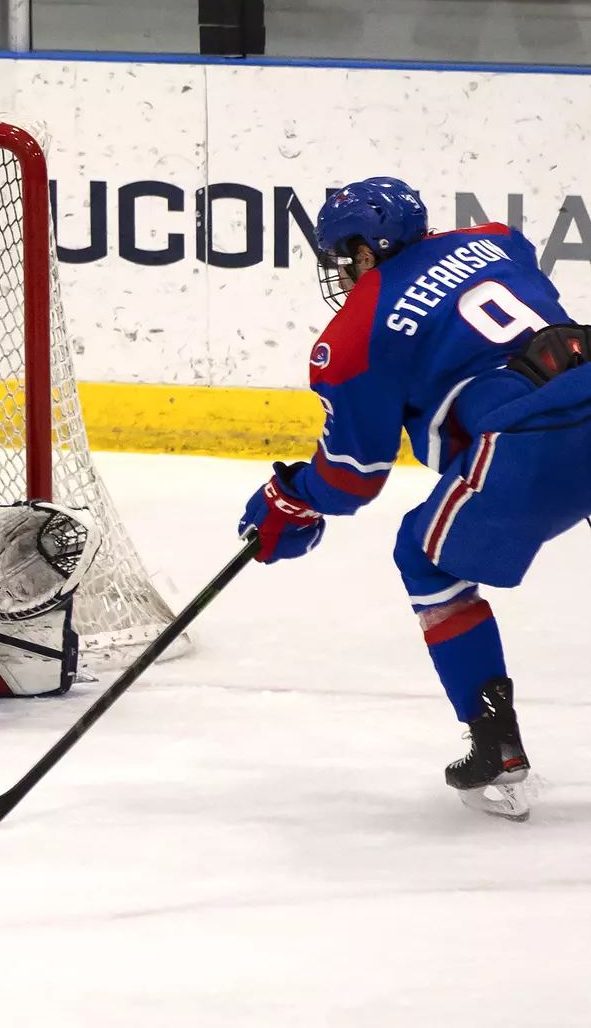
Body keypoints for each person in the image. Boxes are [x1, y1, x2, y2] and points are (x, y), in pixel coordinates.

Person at [239, 175, 591, 820]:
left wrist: (292, 496)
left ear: (366, 250)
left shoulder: (353, 333)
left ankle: (497, 748)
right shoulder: (495, 240)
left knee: (424, 558)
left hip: (533, 436)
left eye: (344, 255)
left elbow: (353, 477)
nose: (341, 271)